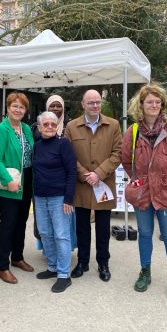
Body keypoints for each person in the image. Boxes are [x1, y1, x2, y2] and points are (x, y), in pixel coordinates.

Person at [121, 84, 167, 303]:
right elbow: (126, 160)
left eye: (157, 102)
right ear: (141, 105)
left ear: (162, 105)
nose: (154, 105)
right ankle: (145, 271)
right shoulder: (132, 132)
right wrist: (140, 179)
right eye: (149, 101)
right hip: (143, 193)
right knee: (144, 233)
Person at [64, 89, 122, 282]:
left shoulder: (113, 125)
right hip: (81, 186)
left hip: (104, 184)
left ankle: (103, 263)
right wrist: (84, 174)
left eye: (98, 102)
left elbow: (118, 153)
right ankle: (82, 262)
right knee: (82, 227)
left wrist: (99, 173)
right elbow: (68, 155)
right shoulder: (71, 127)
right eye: (91, 103)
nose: (95, 106)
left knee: (103, 228)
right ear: (83, 104)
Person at [0, 92, 35, 284]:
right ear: (7, 108)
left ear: (25, 111)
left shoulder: (25, 128)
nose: (18, 110)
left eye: (21, 107)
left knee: (22, 221)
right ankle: (2, 267)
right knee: (8, 223)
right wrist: (8, 180)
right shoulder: (2, 129)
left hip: (26, 181)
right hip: (9, 184)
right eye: (14, 106)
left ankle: (17, 257)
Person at [32, 111, 77, 293]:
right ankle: (52, 267)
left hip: (60, 197)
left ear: (58, 126)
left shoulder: (63, 144)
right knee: (44, 232)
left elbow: (72, 171)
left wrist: (69, 198)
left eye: (53, 123)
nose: (49, 126)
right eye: (46, 124)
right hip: (40, 197)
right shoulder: (36, 146)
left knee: (61, 234)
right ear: (40, 127)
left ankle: (64, 275)